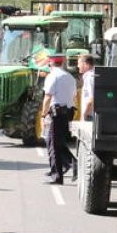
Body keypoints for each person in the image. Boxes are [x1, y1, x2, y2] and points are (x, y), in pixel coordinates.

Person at [41, 53, 77, 184]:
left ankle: (58, 176)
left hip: (56, 113)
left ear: (50, 64)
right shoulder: (70, 77)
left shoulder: (52, 76)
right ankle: (71, 164)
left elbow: (48, 96)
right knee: (58, 142)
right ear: (62, 63)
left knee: (53, 145)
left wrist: (43, 114)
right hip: (68, 112)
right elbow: (73, 96)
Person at [78, 54, 96, 121]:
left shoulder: (90, 77)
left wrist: (84, 115)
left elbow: (92, 98)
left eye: (79, 63)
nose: (78, 66)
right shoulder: (91, 75)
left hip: (89, 116)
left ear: (86, 64)